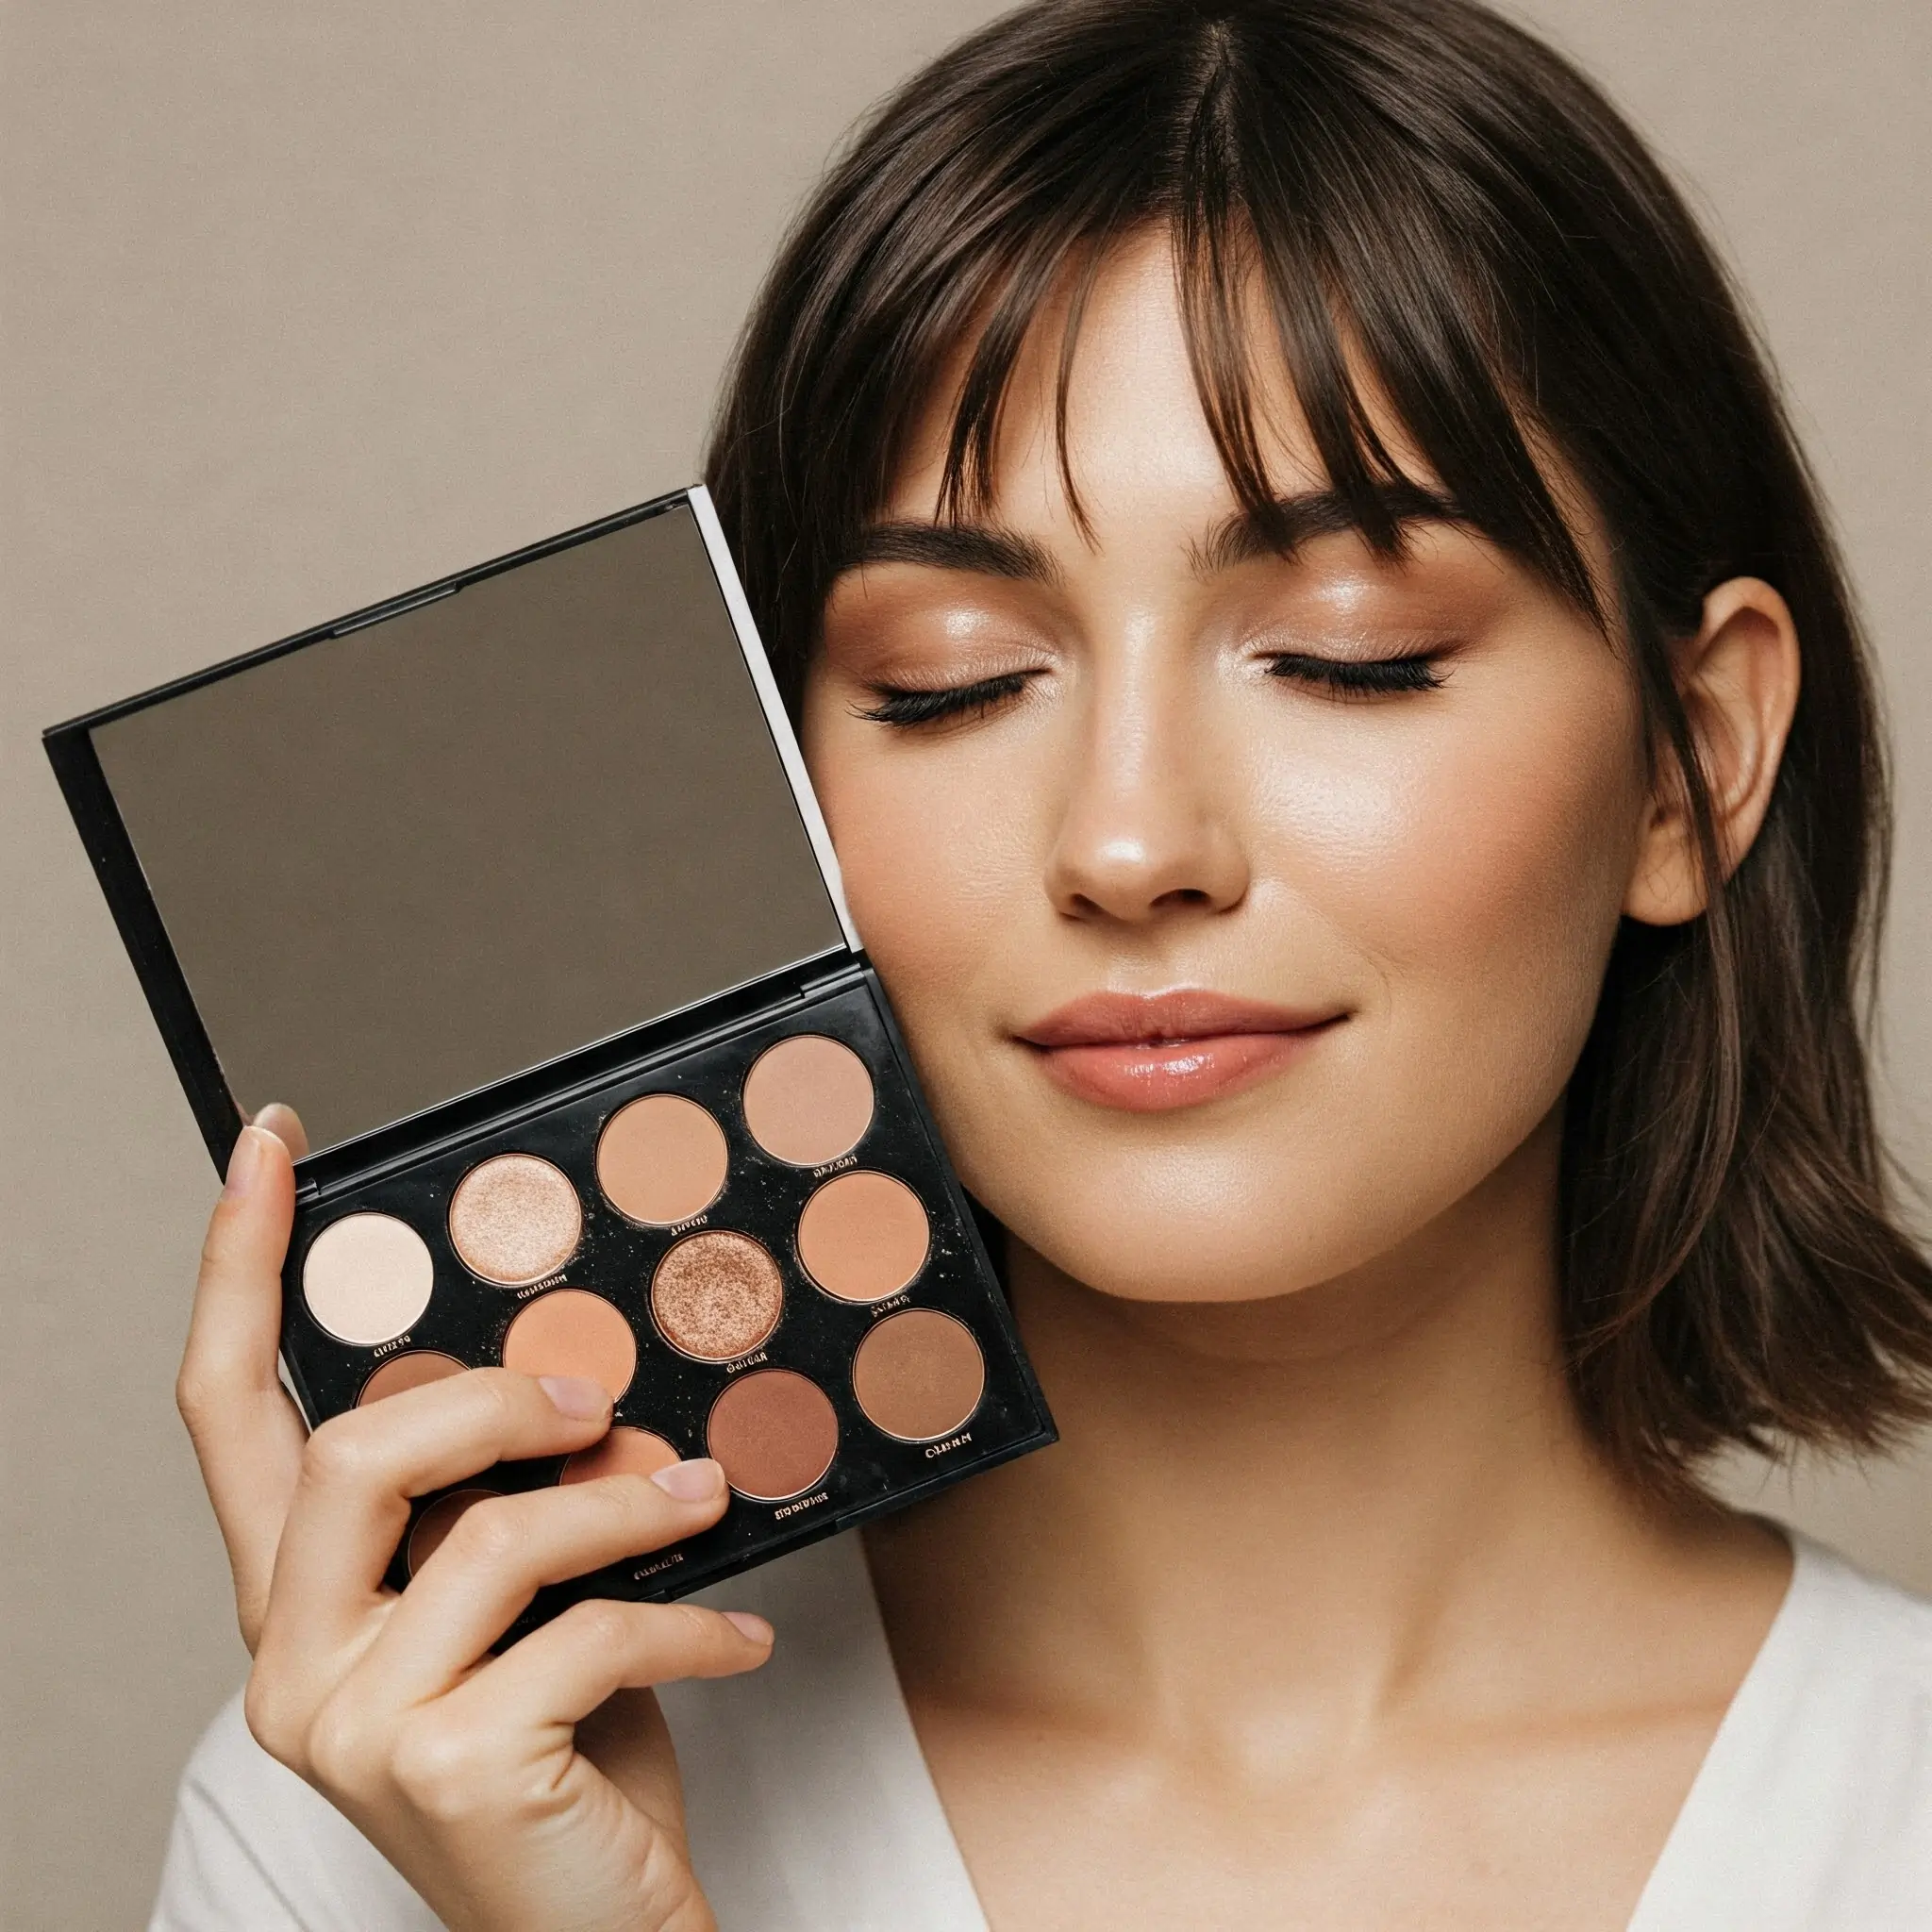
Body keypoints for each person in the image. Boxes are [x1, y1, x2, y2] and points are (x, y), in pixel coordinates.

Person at [151, 2, 1932, 1926]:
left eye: (1346, 650)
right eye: (951, 684)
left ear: (1696, 761)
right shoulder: (399, 1807)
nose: (1130, 842)